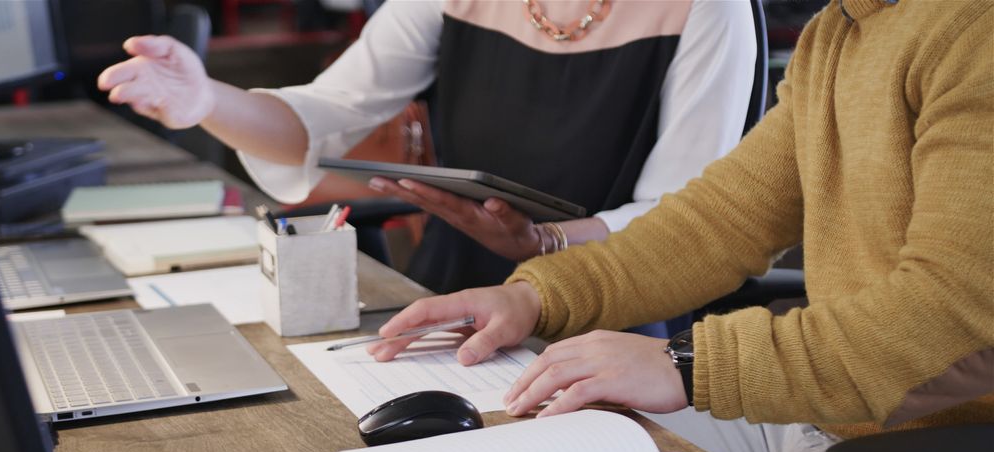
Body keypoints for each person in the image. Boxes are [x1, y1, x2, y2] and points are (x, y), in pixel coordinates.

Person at [367, 0, 993, 452]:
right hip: (825, 415)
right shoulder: (844, 26)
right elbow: (720, 222)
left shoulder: (975, 31)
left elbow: (948, 314)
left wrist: (690, 364)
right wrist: (536, 295)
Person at [97, 0, 756, 306]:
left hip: (614, 304)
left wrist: (546, 245)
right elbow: (322, 120)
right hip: (453, 294)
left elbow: (686, 217)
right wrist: (206, 99)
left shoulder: (708, 11)